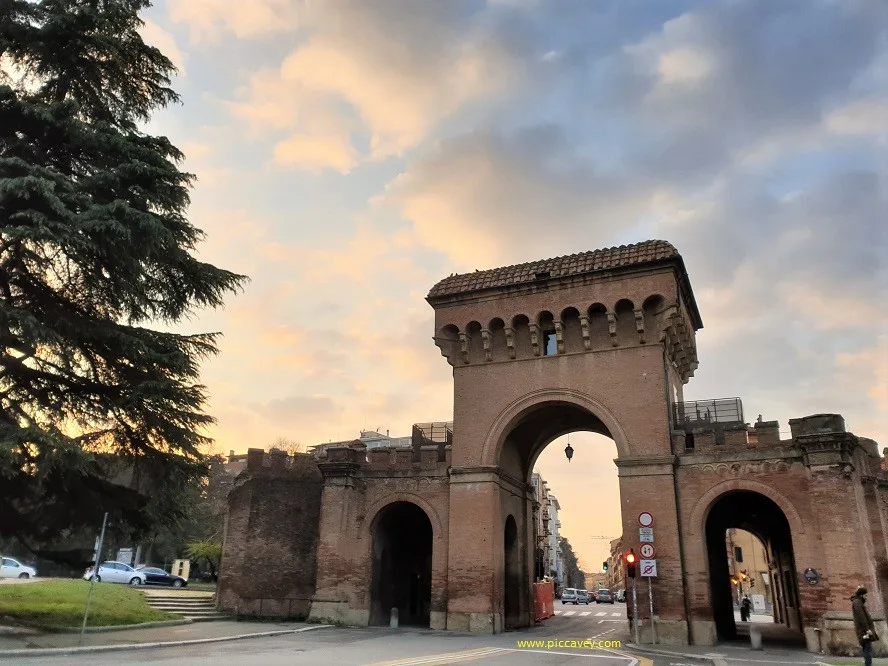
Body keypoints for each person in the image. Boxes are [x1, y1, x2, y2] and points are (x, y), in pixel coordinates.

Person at [852, 585, 878, 666]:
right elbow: (861, 617)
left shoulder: (858, 602)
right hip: (864, 631)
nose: (866, 597)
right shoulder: (857, 602)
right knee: (868, 650)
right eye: (865, 595)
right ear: (861, 595)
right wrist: (867, 629)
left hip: (863, 630)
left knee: (867, 649)